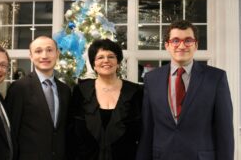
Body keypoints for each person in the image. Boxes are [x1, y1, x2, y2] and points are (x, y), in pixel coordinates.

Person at [136, 20, 234, 160]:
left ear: (196, 45)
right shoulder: (151, 79)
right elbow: (147, 130)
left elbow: (225, 132)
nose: (181, 46)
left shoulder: (216, 78)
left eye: (188, 40)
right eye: (175, 40)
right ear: (167, 45)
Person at [68, 38, 143, 160]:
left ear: (118, 62)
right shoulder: (80, 91)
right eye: (100, 57)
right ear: (94, 64)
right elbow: (70, 133)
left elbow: (142, 133)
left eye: (111, 56)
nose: (106, 60)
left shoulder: (136, 92)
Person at [5, 36, 71, 160]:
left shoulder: (65, 90)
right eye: (38, 51)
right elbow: (12, 131)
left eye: (49, 50)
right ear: (31, 56)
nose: (44, 56)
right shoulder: (19, 88)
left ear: (57, 54)